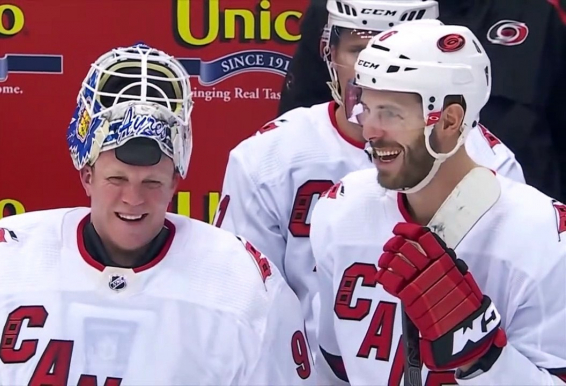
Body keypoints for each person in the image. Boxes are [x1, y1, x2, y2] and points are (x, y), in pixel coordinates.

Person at [0, 44, 315, 385]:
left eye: (152, 183)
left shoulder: (242, 283)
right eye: (117, 178)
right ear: (87, 175)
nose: (133, 198)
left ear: (176, 181)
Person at [214, 0, 524, 359]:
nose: (374, 74)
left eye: (397, 54)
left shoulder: (488, 163)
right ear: (327, 52)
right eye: (361, 50)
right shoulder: (268, 159)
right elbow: (244, 306)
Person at [311, 20, 566, 384]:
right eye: (365, 108)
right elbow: (333, 369)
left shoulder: (543, 237)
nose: (369, 130)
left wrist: (482, 356)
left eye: (390, 113)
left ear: (449, 120)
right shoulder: (341, 209)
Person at [279, 0, 566, 203]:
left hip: (506, 231)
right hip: (358, 213)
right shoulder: (343, 8)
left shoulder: (539, 14)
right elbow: (304, 133)